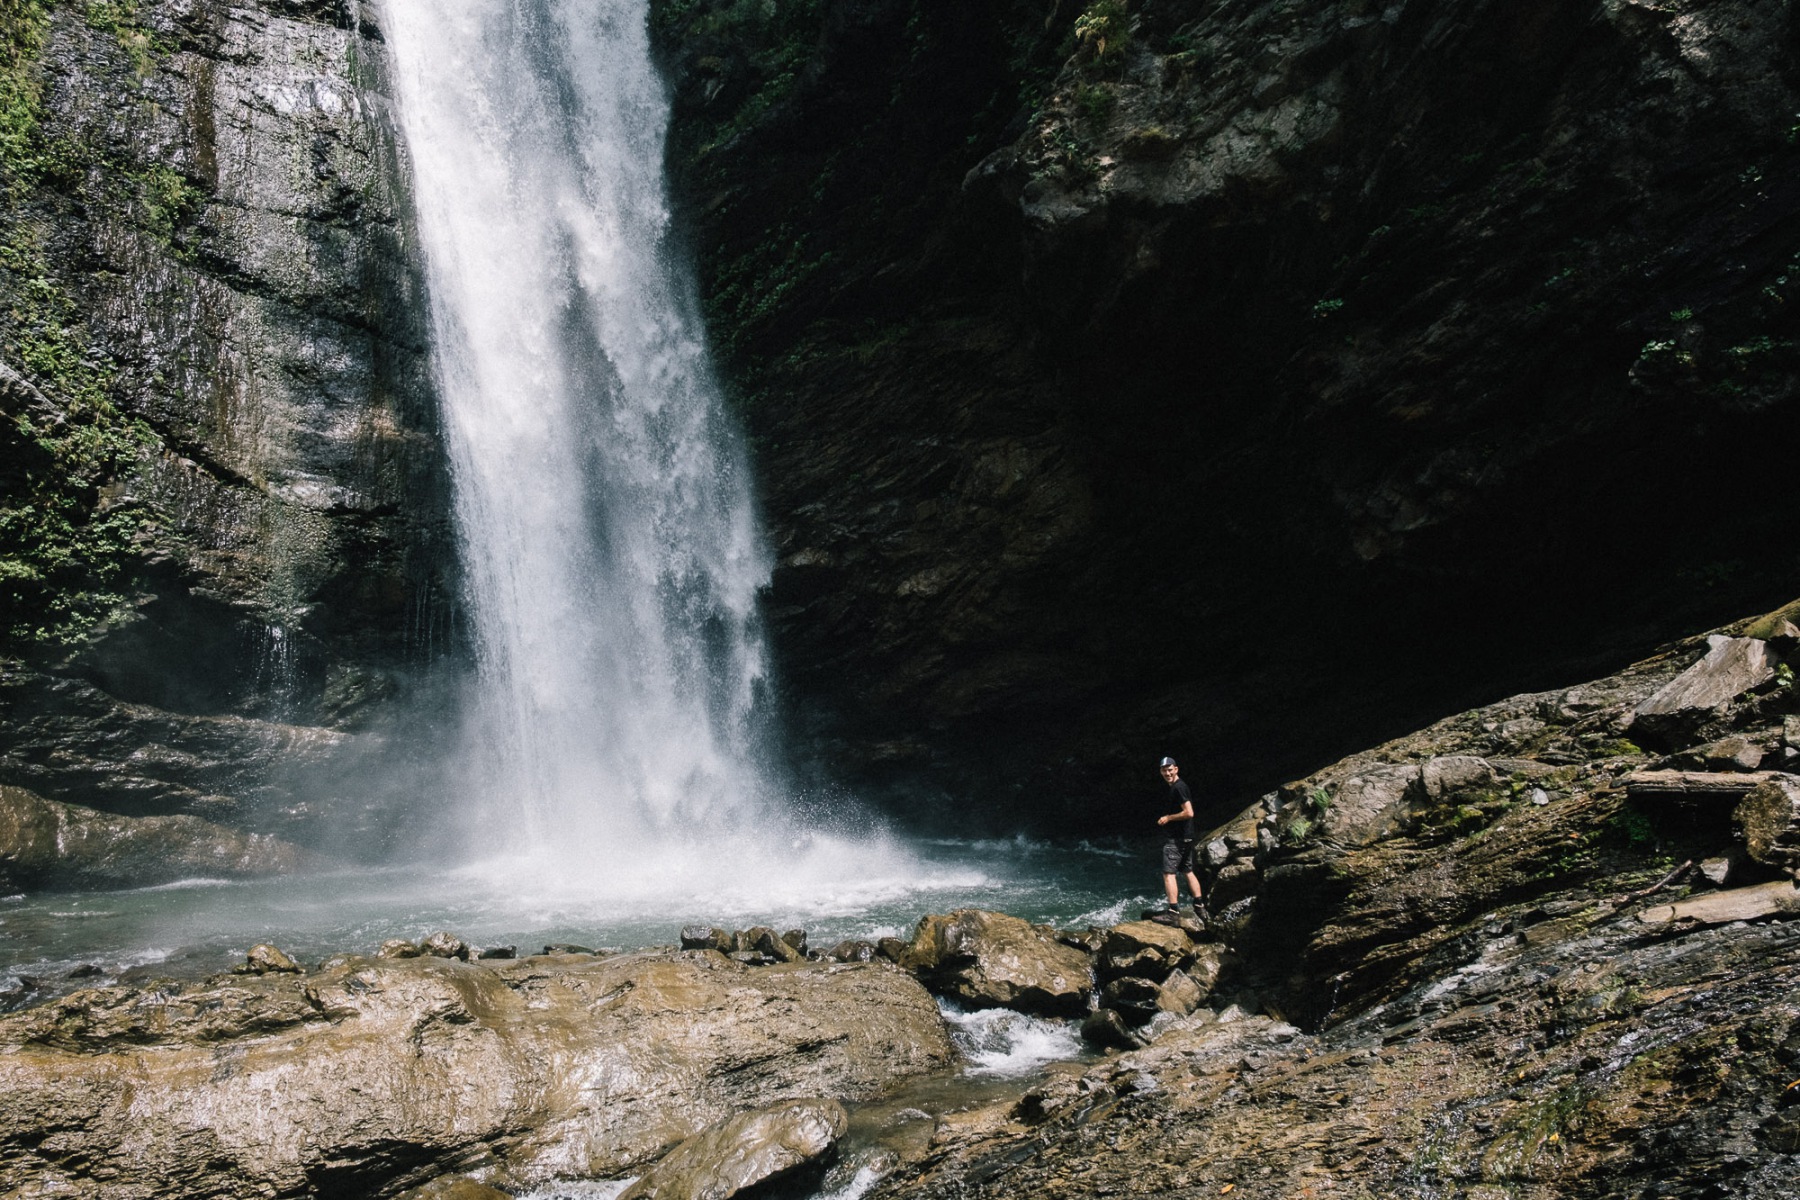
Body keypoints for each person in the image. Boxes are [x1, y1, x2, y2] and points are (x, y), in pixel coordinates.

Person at [1153, 756, 1204, 923]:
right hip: (1188, 837)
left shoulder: (1178, 787)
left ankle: (1173, 912)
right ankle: (1199, 906)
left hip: (1177, 839)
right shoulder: (1177, 786)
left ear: (1176, 769)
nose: (1167, 773)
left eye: (1170, 769)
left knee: (1168, 874)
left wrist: (1168, 818)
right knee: (1187, 870)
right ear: (1161, 771)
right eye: (1164, 770)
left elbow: (1189, 812)